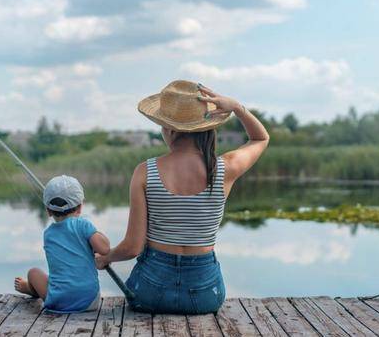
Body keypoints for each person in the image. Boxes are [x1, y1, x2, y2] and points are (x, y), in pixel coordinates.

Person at [95, 80, 270, 314]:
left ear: (169, 129)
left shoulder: (145, 171)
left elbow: (132, 247)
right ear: (206, 127)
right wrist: (237, 107)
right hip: (206, 295)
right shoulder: (226, 168)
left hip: (149, 292)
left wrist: (106, 258)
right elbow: (260, 138)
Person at [14, 175, 111, 313]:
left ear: (48, 210)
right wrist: (94, 232)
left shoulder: (48, 234)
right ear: (80, 207)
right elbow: (105, 248)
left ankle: (30, 288)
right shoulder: (84, 225)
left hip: (58, 302)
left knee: (33, 273)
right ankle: (30, 288)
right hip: (89, 302)